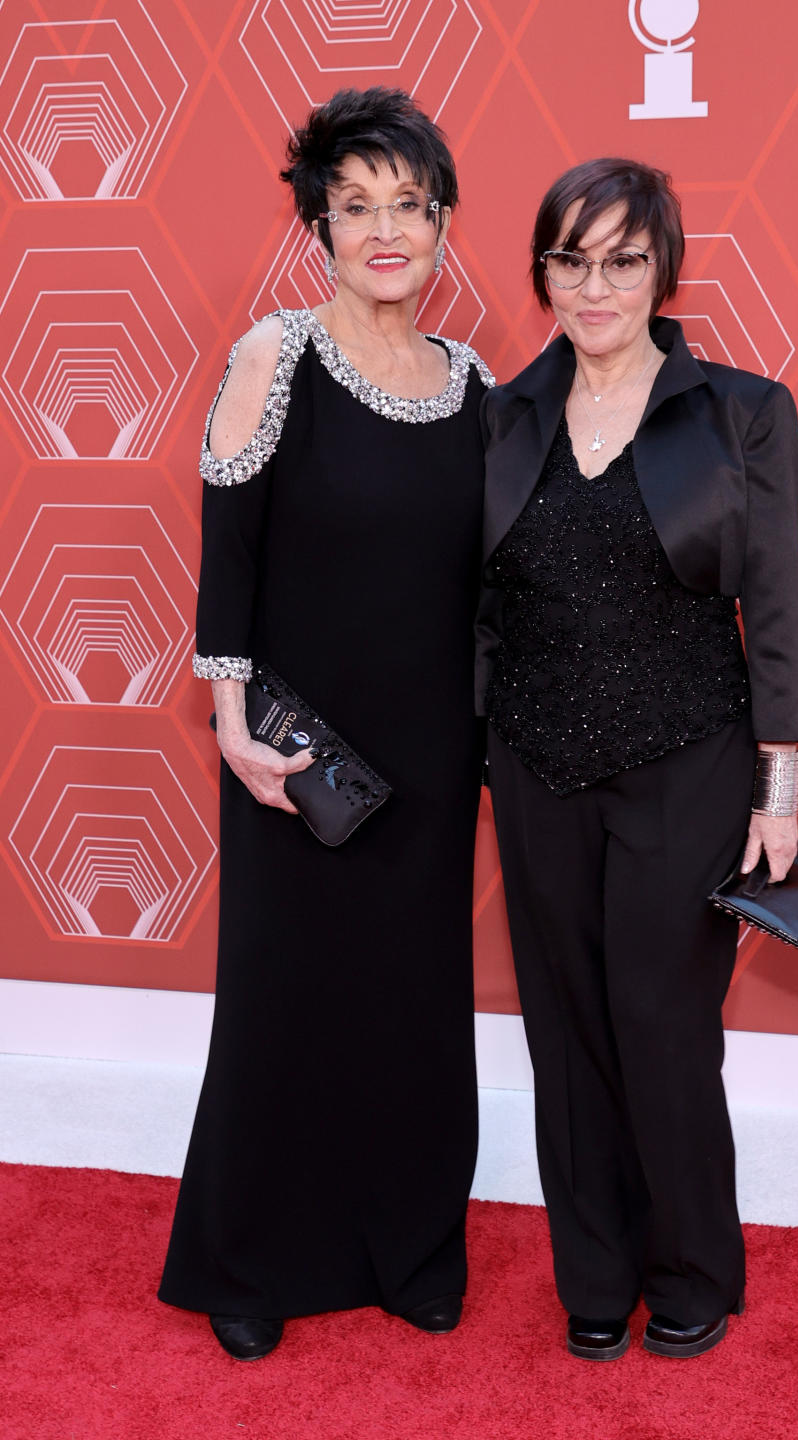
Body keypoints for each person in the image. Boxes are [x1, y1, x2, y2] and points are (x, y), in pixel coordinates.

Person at [158, 87, 493, 1360]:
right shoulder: (275, 354)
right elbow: (228, 549)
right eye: (355, 207)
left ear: (446, 224)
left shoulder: (476, 387)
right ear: (319, 230)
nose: (385, 229)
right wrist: (235, 726)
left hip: (431, 758)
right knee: (282, 1003)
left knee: (413, 1006)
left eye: (409, 204)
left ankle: (410, 1246)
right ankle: (252, 1261)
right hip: (294, 763)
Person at [476, 158, 798, 1361]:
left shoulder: (743, 411)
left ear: (662, 269)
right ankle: (596, 1279)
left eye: (622, 259)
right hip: (536, 761)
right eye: (571, 259)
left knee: (663, 1023)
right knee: (564, 1031)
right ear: (543, 274)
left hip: (690, 757)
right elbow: (476, 605)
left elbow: (769, 609)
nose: (595, 285)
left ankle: (692, 1268)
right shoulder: (504, 414)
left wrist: (779, 787)